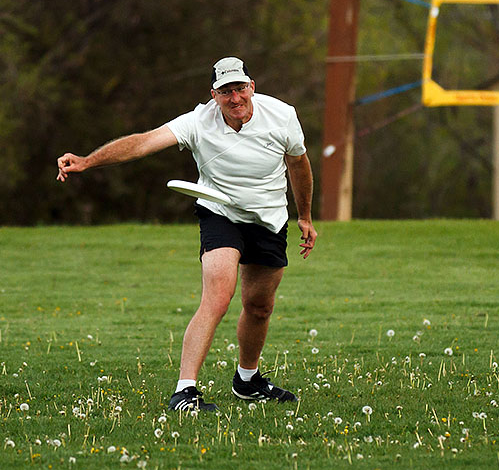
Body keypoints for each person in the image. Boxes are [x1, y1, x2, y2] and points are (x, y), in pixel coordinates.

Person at [56, 56, 317, 412]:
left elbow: (298, 163)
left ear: (251, 86)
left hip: (269, 217)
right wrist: (88, 161)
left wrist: (305, 216)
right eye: (226, 91)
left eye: (240, 88)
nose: (235, 98)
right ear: (214, 95)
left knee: (259, 305)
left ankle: (247, 380)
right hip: (219, 211)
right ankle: (185, 390)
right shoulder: (197, 122)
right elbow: (143, 143)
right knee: (219, 296)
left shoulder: (282, 115)